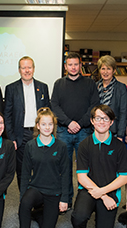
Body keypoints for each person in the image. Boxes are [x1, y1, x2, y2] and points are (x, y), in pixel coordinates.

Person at [71, 105, 127, 228]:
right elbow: (81, 176)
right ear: (92, 121)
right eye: (98, 118)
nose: (102, 122)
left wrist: (104, 193)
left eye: (106, 118)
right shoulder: (84, 145)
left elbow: (124, 177)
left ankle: (101, 219)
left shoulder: (119, 146)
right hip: (89, 190)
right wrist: (102, 195)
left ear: (111, 122)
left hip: (110, 192)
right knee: (78, 217)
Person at [12, 107, 70, 228]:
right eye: (43, 124)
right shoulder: (30, 146)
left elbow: (65, 174)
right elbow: (25, 174)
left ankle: (37, 214)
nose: (47, 127)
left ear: (54, 126)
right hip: (36, 188)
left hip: (53, 191)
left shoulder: (61, 146)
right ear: (38, 125)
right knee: (25, 203)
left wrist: (64, 199)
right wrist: (22, 199)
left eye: (50, 124)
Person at [51, 52, 100, 210]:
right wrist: (69, 123)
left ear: (80, 65)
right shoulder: (59, 84)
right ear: (65, 67)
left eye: (76, 64)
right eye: (70, 64)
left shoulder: (90, 83)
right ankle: (66, 199)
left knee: (84, 168)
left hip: (84, 131)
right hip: (64, 131)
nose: (73, 67)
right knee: (64, 168)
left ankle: (83, 202)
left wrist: (79, 123)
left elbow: (94, 105)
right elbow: (55, 106)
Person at [4, 56, 50, 190]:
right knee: (22, 170)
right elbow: (7, 115)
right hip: (20, 135)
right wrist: (11, 137)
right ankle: (24, 199)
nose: (27, 70)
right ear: (19, 70)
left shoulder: (43, 87)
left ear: (34, 69)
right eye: (23, 68)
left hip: (39, 134)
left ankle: (39, 200)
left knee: (40, 168)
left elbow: (48, 112)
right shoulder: (11, 88)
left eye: (29, 67)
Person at [96, 55, 127, 140]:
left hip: (114, 131)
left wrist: (120, 135)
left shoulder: (121, 88)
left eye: (108, 69)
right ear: (99, 70)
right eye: (103, 69)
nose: (105, 72)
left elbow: (123, 112)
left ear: (114, 70)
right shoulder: (95, 86)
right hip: (96, 130)